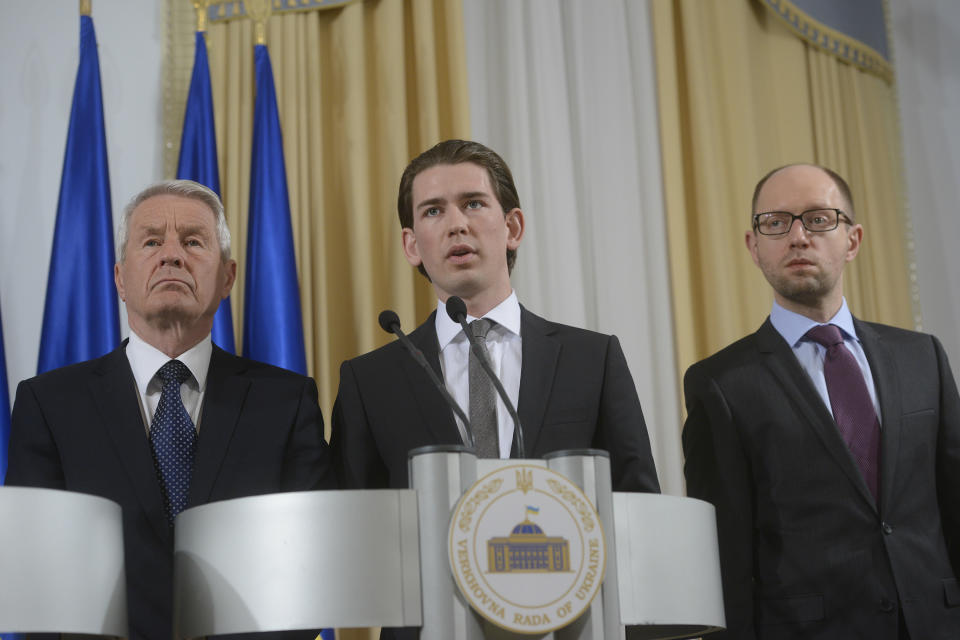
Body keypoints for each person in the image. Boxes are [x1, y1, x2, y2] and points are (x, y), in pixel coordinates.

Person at [6, 180, 335, 640]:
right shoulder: (50, 404)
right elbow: (36, 574)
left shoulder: (286, 401)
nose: (172, 255)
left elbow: (313, 562)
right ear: (121, 278)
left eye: (194, 242)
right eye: (152, 241)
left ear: (227, 278)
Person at [682, 163, 960, 639]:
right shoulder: (721, 384)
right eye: (775, 222)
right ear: (754, 246)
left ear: (852, 240)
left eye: (818, 219)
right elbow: (724, 557)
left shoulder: (922, 357)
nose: (797, 237)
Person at [331, 139, 660, 493]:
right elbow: (356, 524)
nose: (456, 225)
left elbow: (638, 504)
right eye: (433, 211)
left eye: (473, 203)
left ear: (513, 228)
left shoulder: (593, 361)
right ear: (412, 245)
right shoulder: (369, 383)